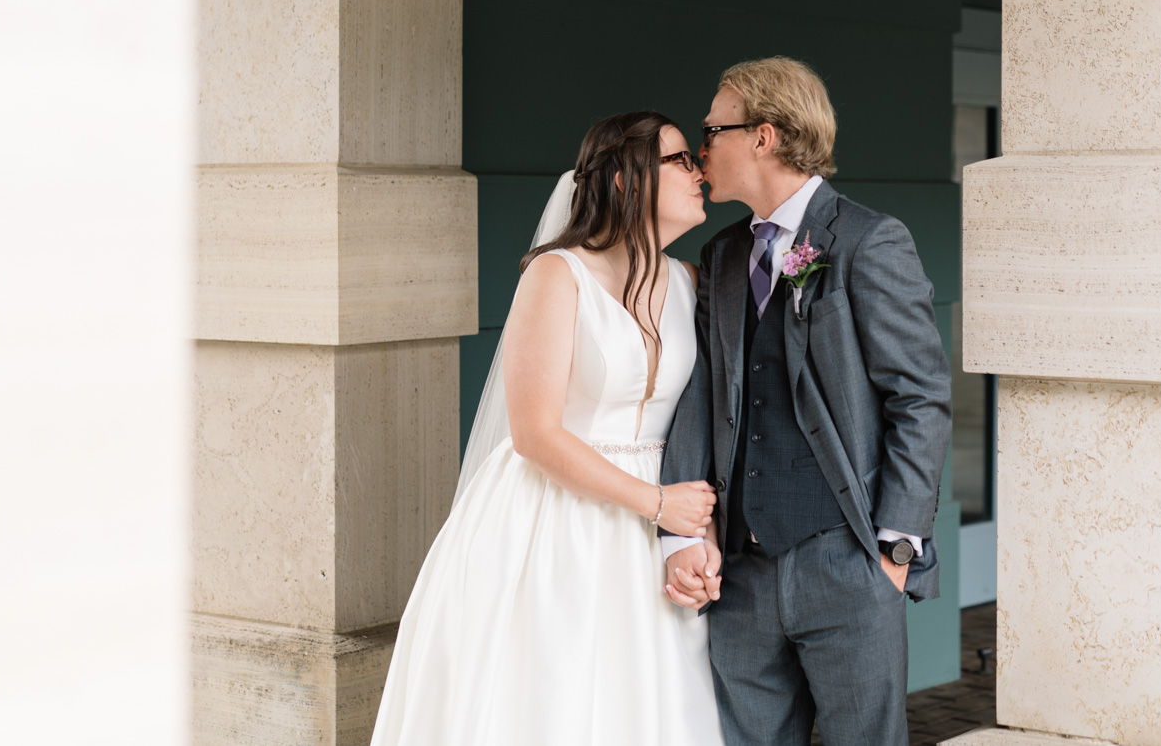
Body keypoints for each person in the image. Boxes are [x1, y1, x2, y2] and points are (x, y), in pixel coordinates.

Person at [370, 111, 726, 746]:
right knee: (550, 695)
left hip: (657, 529)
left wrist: (694, 533)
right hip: (554, 513)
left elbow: (695, 423)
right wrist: (659, 505)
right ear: (625, 181)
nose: (698, 171)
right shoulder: (557, 275)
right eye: (679, 160)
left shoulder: (687, 283)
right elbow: (534, 432)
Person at [660, 57, 952, 746]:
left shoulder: (868, 240)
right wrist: (684, 532)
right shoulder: (725, 254)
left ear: (763, 135)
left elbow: (921, 396)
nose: (703, 146)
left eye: (713, 128)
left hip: (848, 565)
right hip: (742, 576)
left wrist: (894, 548)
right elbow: (701, 397)